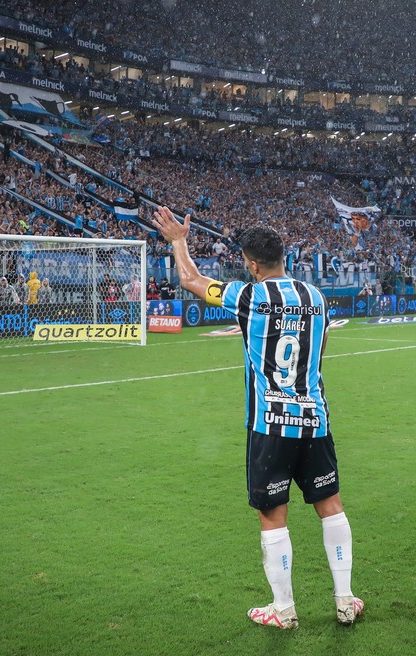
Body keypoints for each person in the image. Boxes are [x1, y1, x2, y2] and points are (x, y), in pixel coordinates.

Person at [151, 205, 363, 630]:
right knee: (331, 506)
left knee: (273, 514)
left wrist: (178, 240)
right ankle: (345, 600)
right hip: (314, 419)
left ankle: (283, 610)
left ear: (250, 263)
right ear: (284, 257)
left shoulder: (246, 296)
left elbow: (192, 280)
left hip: (270, 424)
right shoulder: (316, 297)